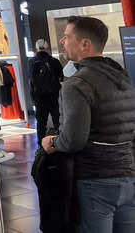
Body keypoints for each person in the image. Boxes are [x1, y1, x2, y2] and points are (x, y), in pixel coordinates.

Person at [41, 16, 135, 233]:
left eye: (66, 37)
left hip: (96, 180)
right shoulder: (123, 78)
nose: (62, 42)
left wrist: (52, 141)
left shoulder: (77, 84)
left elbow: (73, 140)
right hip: (128, 176)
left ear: (85, 44)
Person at [29, 39, 64, 142]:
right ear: (47, 47)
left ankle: (41, 145)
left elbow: (31, 80)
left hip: (39, 98)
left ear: (36, 48)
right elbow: (61, 77)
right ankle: (60, 142)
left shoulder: (32, 62)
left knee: (41, 123)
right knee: (57, 121)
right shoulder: (54, 61)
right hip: (53, 96)